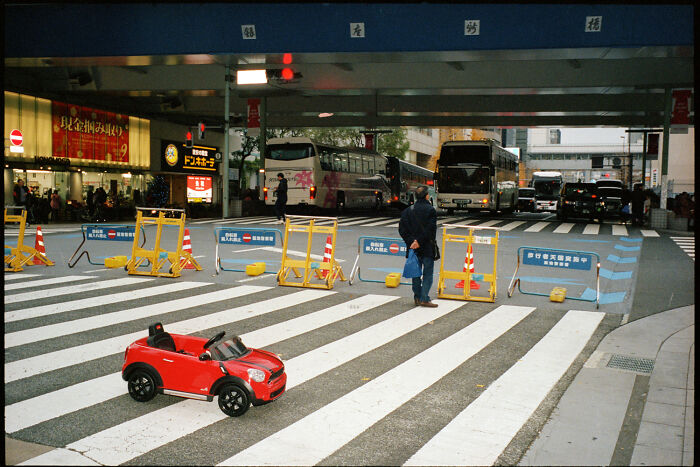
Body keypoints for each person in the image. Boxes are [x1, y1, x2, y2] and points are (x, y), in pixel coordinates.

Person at [399, 185, 438, 307]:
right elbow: (430, 230)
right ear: (427, 196)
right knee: (427, 273)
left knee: (415, 273)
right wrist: (419, 241)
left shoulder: (408, 211)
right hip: (426, 247)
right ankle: (425, 298)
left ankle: (417, 297)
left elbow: (402, 229)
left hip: (413, 249)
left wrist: (412, 242)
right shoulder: (431, 210)